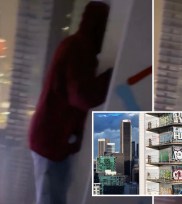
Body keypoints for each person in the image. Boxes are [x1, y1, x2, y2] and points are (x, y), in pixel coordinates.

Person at [28, 2, 112, 204]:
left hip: (52, 139)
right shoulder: (79, 49)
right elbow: (81, 96)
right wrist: (111, 78)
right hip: (52, 141)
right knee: (51, 199)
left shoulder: (77, 46)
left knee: (53, 197)